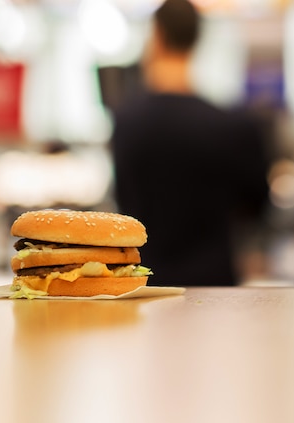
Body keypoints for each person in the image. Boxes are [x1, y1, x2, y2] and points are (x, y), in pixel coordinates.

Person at [111, 0, 270, 286]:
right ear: (197, 39)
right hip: (216, 288)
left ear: (156, 36)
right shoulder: (234, 126)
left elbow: (123, 203)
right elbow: (258, 208)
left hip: (146, 285)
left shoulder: (127, 123)